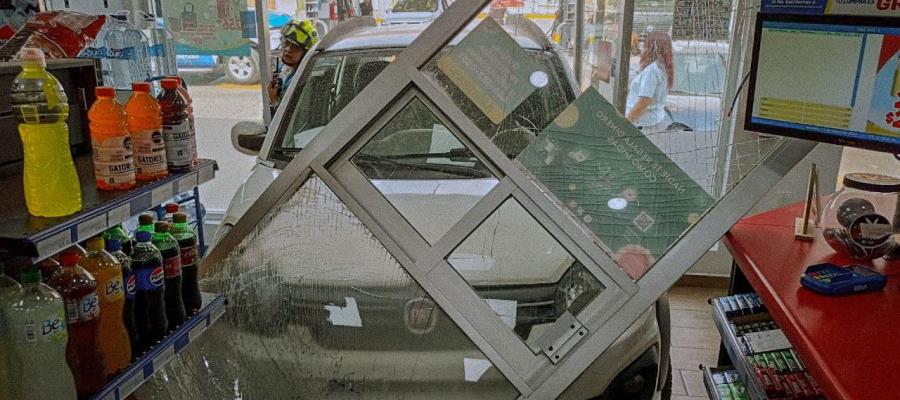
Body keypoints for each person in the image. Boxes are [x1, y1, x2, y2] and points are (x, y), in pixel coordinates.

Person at [625, 32, 674, 133]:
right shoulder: (663, 67)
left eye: (646, 45)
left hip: (643, 124)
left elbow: (644, 102)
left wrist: (626, 122)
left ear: (651, 47)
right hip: (654, 120)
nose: (643, 48)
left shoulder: (652, 70)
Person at [267, 18, 319, 113]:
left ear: (306, 53)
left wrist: (274, 100)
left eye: (295, 47)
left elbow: (291, 118)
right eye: (286, 42)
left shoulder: (304, 80)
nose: (287, 49)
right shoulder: (284, 68)